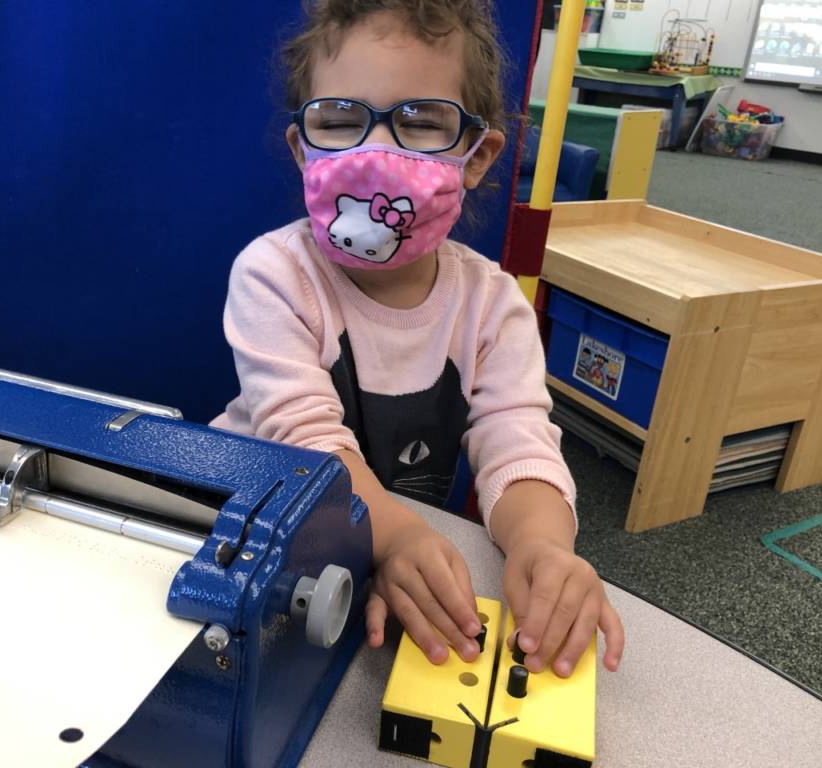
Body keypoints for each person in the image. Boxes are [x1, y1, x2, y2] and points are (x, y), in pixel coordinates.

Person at [211, 0, 623, 678]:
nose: (376, 154)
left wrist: (543, 548)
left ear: (478, 155)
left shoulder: (491, 305)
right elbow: (304, 440)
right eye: (341, 121)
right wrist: (397, 536)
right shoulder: (274, 274)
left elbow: (518, 440)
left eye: (420, 122)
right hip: (253, 532)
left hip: (373, 548)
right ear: (303, 148)